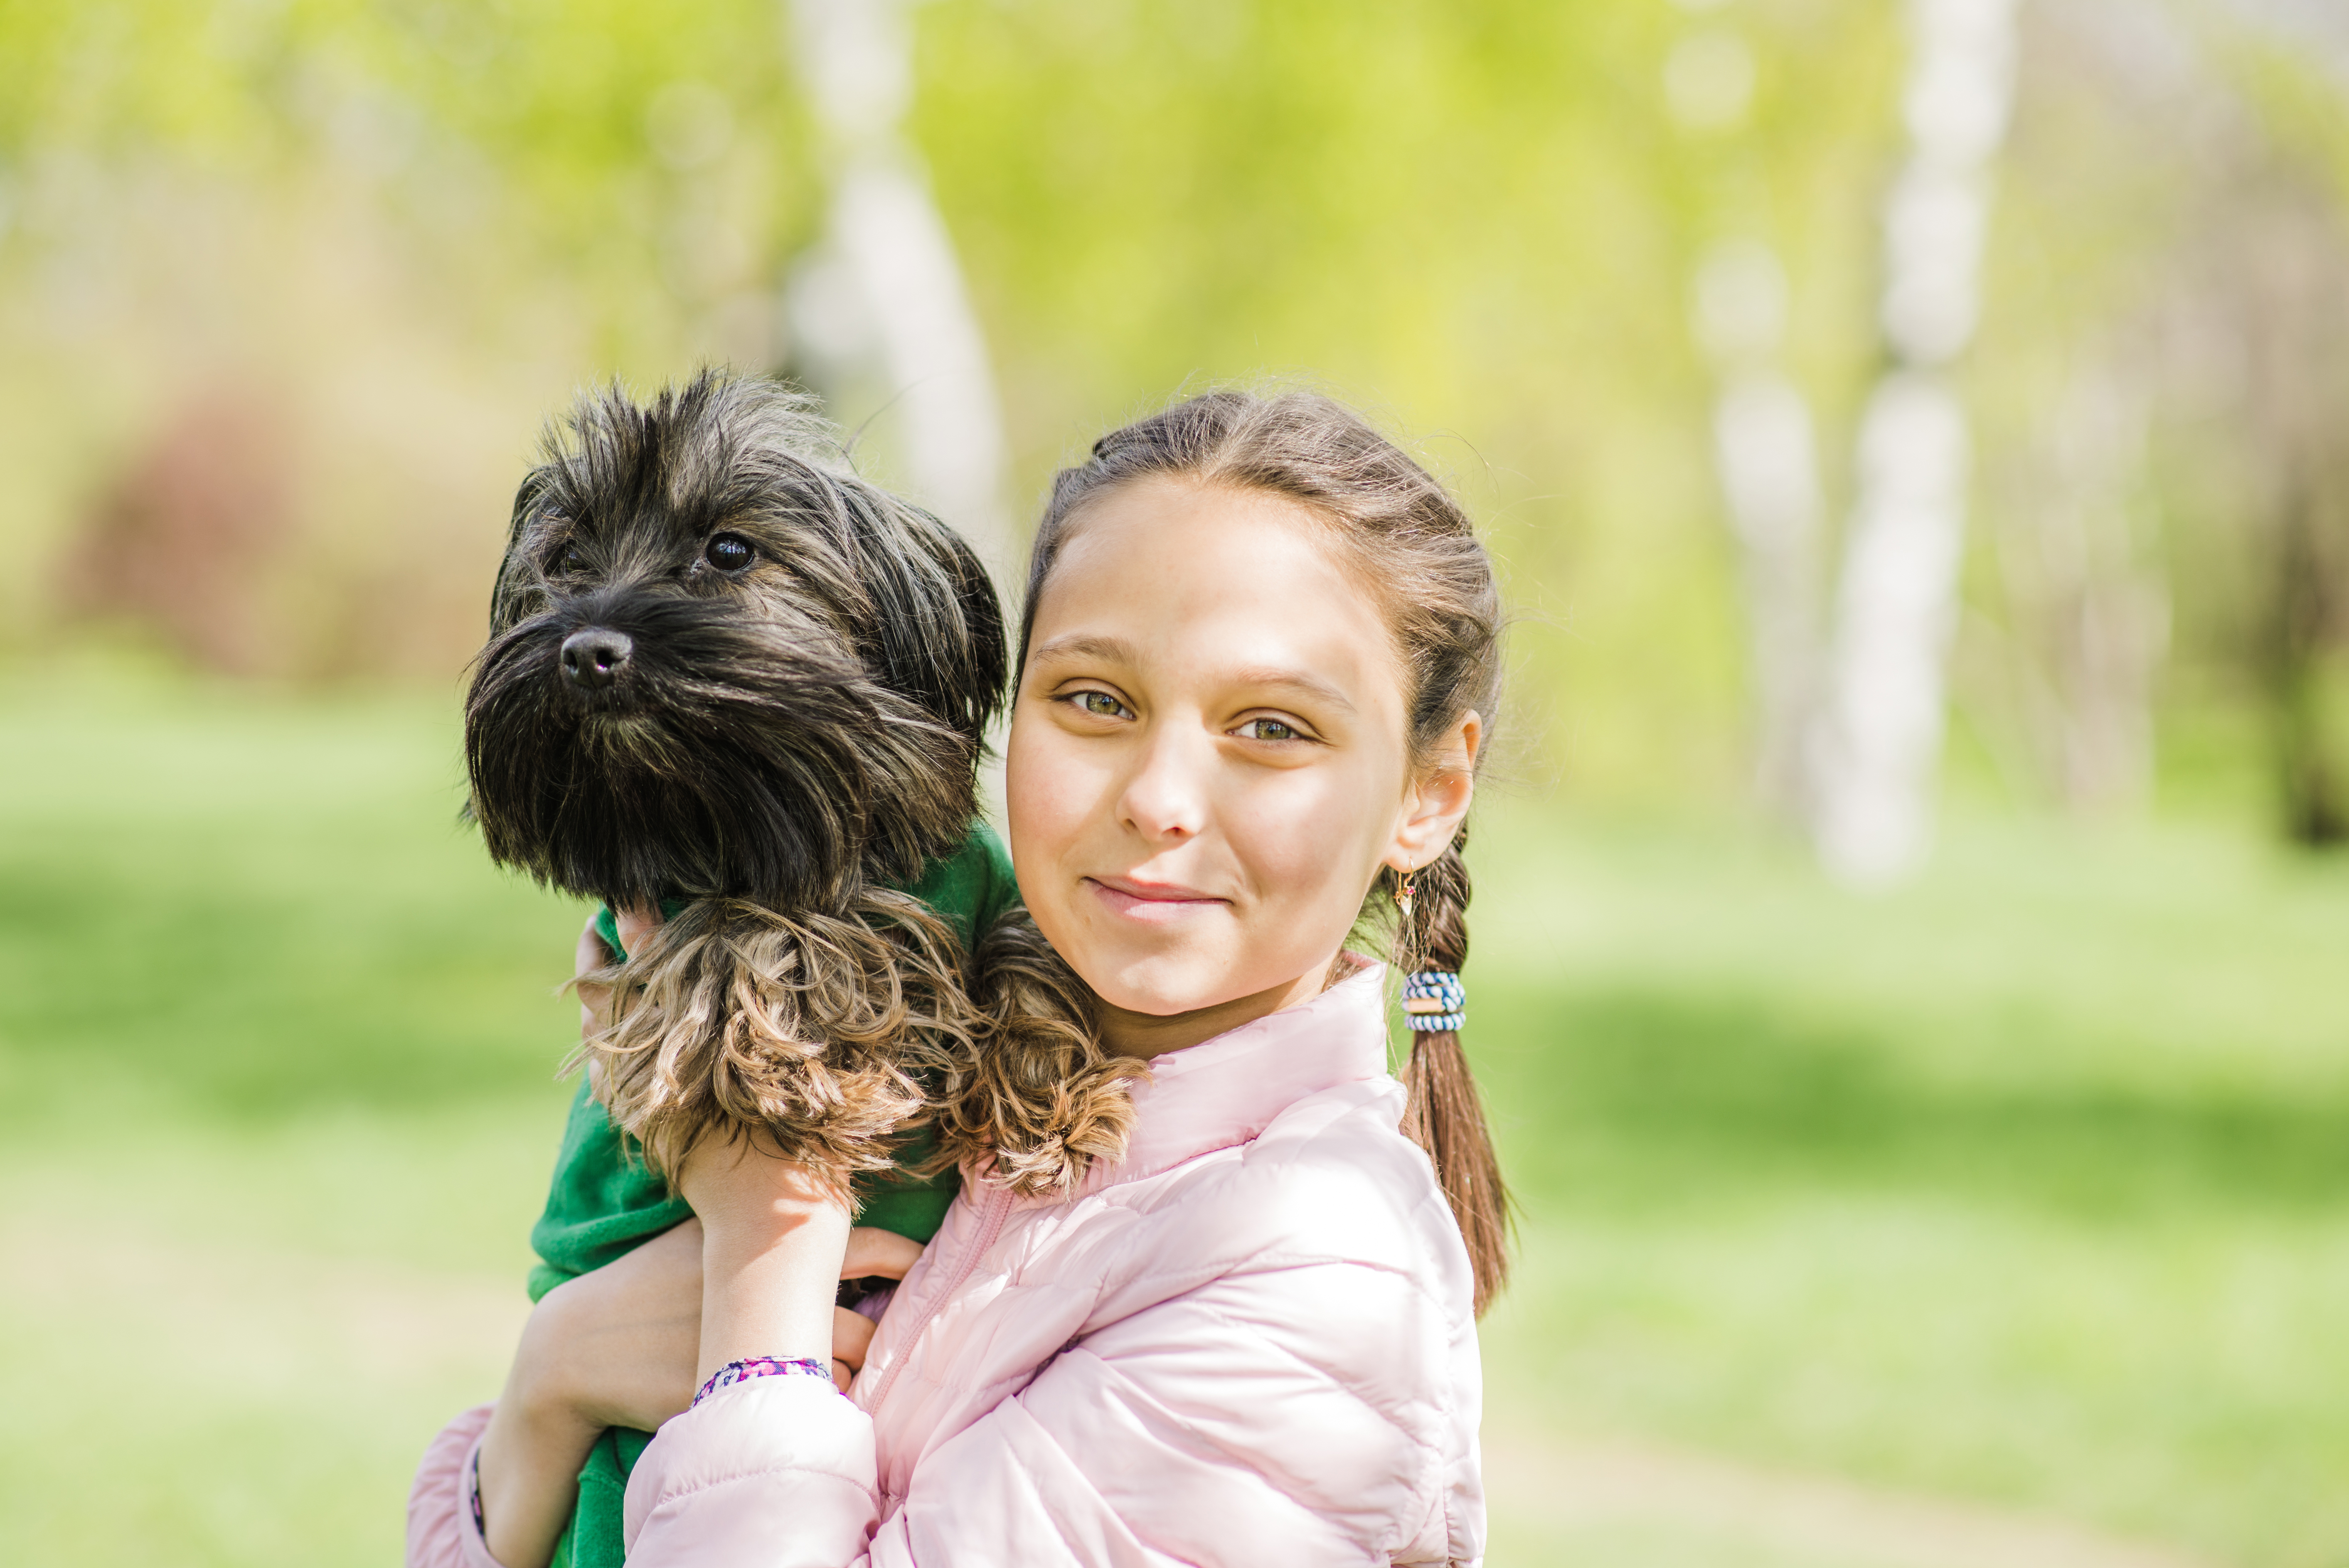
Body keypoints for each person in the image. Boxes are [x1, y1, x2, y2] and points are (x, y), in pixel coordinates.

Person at [409, 387, 1510, 1566]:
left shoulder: (1312, 1269)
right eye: (1095, 700)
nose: (1159, 801)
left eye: (1273, 728)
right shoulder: (974, 1048)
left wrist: (764, 1271)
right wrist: (549, 1388)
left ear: (1430, 794)